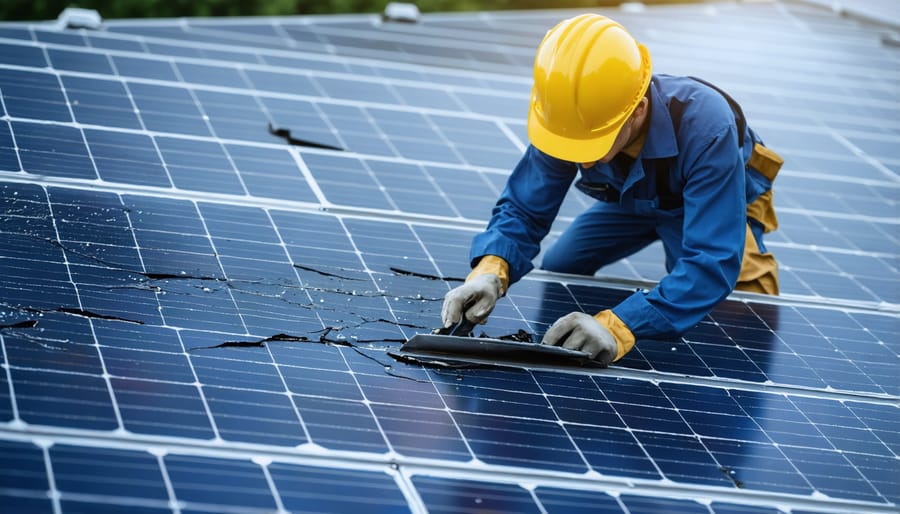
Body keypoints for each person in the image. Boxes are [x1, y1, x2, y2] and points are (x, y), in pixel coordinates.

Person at [441, 13, 783, 366]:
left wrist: (619, 326)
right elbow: (525, 209)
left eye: (593, 147)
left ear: (639, 111)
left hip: (710, 203)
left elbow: (710, 261)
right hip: (633, 197)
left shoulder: (707, 126)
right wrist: (490, 272)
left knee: (743, 308)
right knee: (562, 266)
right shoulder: (566, 116)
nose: (584, 164)